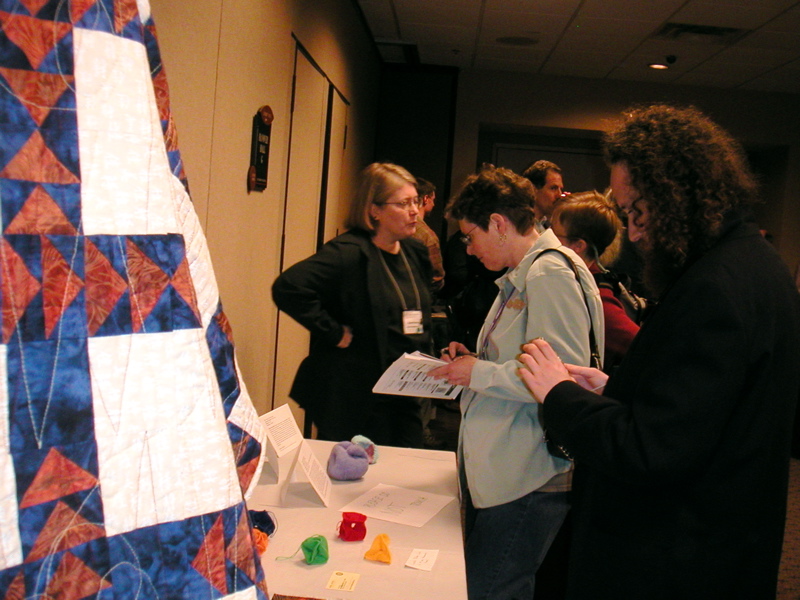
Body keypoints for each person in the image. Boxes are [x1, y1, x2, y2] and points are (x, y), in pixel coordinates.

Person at [518, 104, 800, 600]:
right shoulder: (758, 265)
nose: (635, 231)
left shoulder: (715, 287)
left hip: (676, 555)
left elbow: (651, 450)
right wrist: (615, 389)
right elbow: (705, 409)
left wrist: (559, 396)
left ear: (676, 196)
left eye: (637, 212)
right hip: (722, 537)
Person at [428, 165, 604, 600]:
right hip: (511, 466)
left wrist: (477, 373)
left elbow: (562, 378)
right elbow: (523, 358)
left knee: (493, 590)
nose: (468, 250)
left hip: (530, 472)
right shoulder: (527, 273)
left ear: (500, 225)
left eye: (471, 235)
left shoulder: (549, 273)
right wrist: (474, 361)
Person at [272, 162, 433, 447]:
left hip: (403, 390)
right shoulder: (348, 253)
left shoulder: (414, 251)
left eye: (416, 202)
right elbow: (289, 287)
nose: (414, 212)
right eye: (404, 203)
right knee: (354, 476)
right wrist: (333, 331)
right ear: (374, 210)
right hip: (355, 394)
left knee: (408, 468)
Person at [550, 191, 640, 372]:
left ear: (578, 245)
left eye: (553, 233)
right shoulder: (573, 281)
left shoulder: (596, 297)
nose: (545, 239)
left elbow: (640, 346)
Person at [413, 177, 445, 296]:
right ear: (426, 199)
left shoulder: (394, 227)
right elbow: (436, 277)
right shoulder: (427, 235)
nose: (434, 204)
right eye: (433, 199)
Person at [522, 159, 565, 228]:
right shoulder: (517, 226)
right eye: (553, 188)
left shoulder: (548, 225)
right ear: (533, 190)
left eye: (560, 189)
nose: (559, 195)